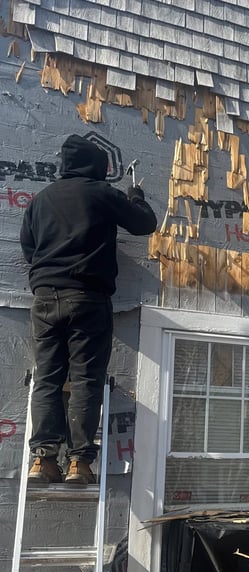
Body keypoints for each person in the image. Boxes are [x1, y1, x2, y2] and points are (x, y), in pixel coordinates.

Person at [20, 134, 157, 486]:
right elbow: (144, 223)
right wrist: (136, 196)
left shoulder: (40, 200)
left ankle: (43, 460)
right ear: (96, 166)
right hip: (87, 298)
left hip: (45, 299)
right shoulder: (100, 192)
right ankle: (79, 463)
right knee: (84, 380)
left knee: (48, 378)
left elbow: (29, 249)